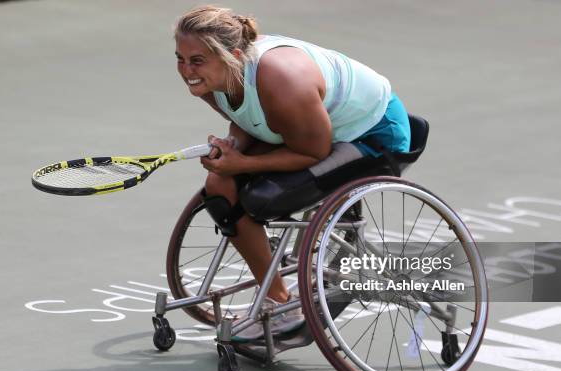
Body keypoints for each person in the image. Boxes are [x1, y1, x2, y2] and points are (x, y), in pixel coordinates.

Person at [174, 5, 411, 341]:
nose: (186, 70)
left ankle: (282, 311)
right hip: (306, 129)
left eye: (196, 60)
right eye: (180, 59)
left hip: (373, 136)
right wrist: (232, 146)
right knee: (219, 185)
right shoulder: (211, 79)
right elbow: (245, 119)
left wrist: (242, 164)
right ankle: (277, 296)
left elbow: (313, 151)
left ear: (233, 56)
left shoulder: (281, 79)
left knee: (262, 198)